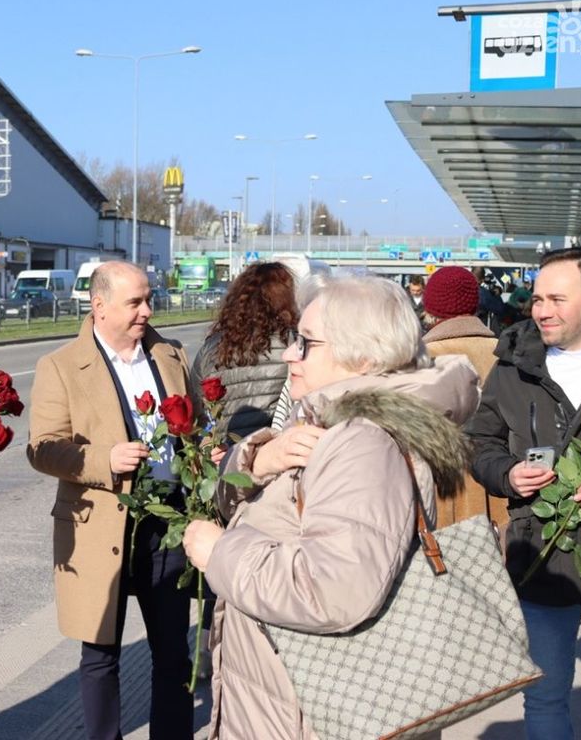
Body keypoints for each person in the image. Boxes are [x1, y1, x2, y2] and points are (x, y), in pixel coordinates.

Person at [183, 275, 478, 739]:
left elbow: (331, 591)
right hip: (288, 702)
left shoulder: (363, 442)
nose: (287, 354)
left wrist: (219, 552)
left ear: (362, 357)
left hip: (313, 713)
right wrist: (259, 460)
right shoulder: (333, 421)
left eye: (306, 342)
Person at [27, 260, 193, 740]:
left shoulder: (171, 355)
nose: (148, 311)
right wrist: (105, 459)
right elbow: (42, 447)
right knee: (101, 657)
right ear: (99, 306)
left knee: (173, 655)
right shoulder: (60, 366)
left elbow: (195, 425)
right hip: (100, 530)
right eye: (135, 302)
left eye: (148, 299)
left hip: (167, 528)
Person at [465, 248, 581, 740]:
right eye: (536, 299)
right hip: (541, 563)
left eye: (556, 299)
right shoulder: (512, 368)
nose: (542, 310)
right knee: (546, 698)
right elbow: (478, 441)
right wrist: (506, 475)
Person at [420, 265, 507, 529]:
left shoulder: (419, 357)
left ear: (431, 306)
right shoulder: (503, 351)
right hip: (498, 483)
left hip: (438, 491)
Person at [189, 261, 297, 438]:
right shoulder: (292, 343)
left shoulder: (212, 347)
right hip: (273, 450)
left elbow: (197, 407)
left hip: (225, 454)